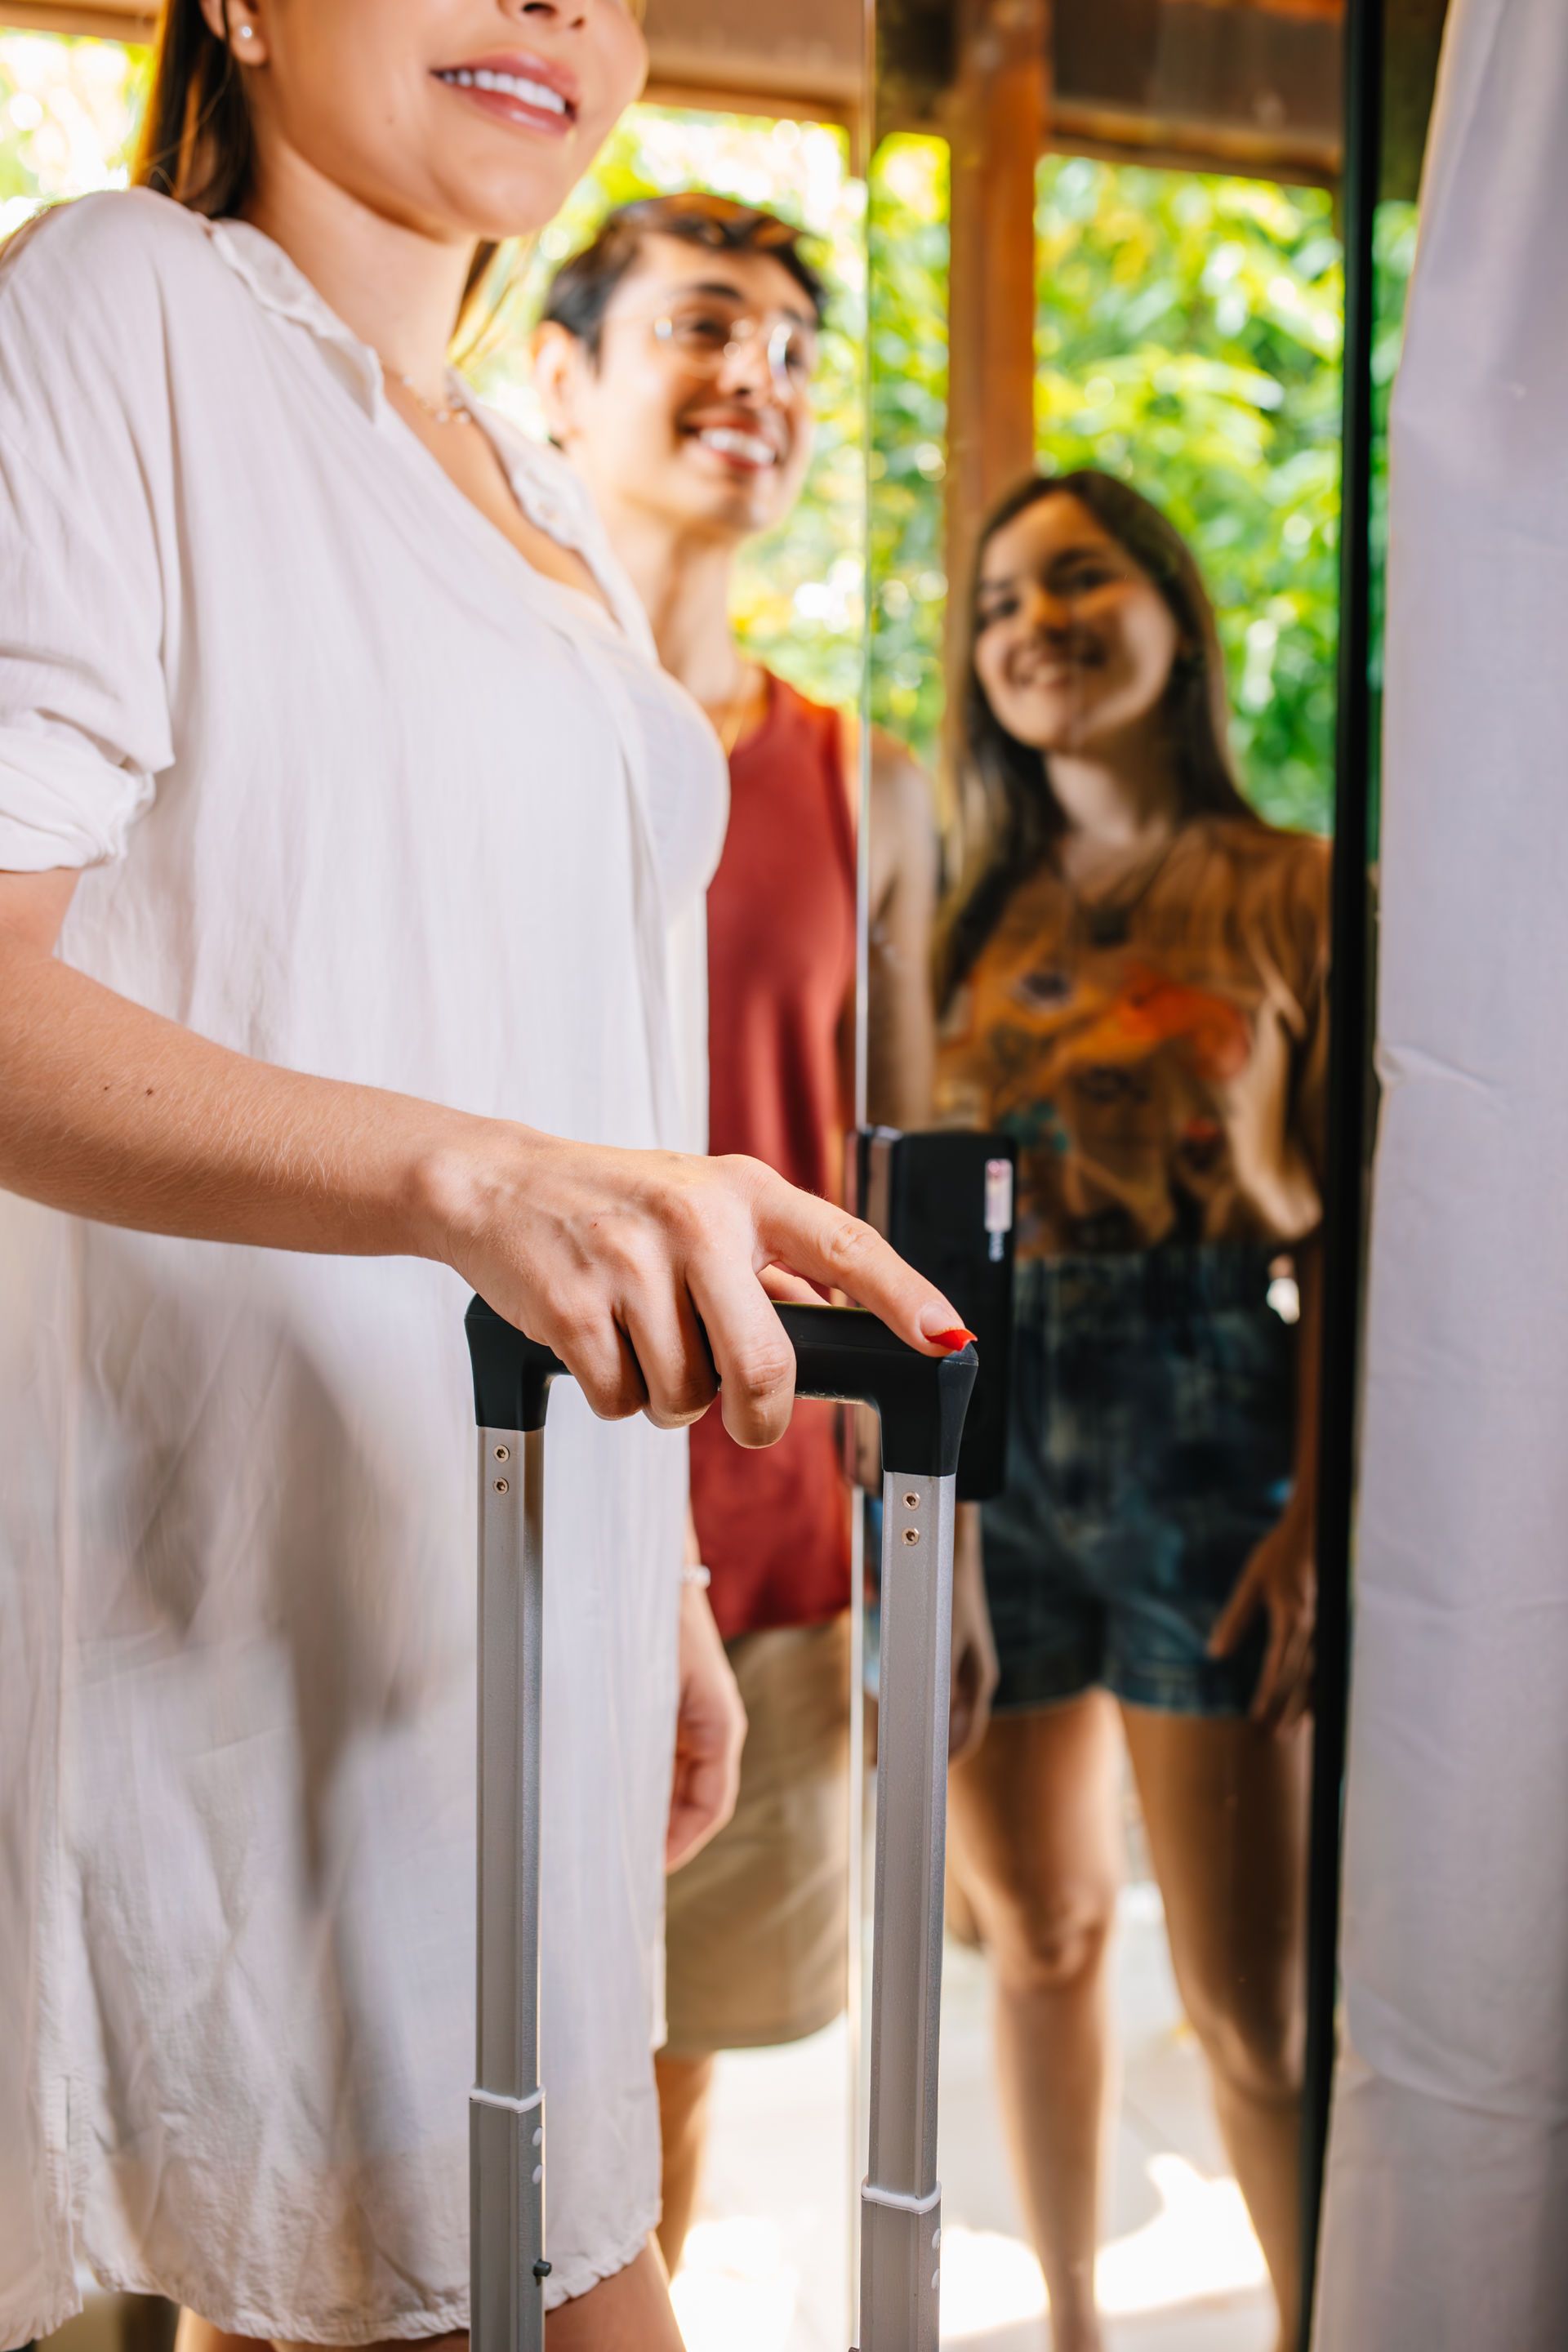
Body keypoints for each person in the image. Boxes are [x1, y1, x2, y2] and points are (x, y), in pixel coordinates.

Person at [0, 7, 968, 2351]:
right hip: (239, 1580)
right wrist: (467, 1185)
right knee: (486, 2278)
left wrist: (634, 1603)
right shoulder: (121, 300)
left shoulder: (519, 487)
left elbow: (570, 1036)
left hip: (514, 1572)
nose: (550, 10)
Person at [531, 191, 996, 2272]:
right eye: (706, 327)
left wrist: (939, 1540)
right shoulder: (477, 730)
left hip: (780, 1518)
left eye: (801, 350)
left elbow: (914, 1181)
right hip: (480, 1476)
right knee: (389, 2098)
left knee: (660, 2093)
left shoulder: (865, 781)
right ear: (560, 375)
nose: (763, 380)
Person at [935, 470, 1327, 2352]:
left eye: (1081, 577)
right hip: (982, 1423)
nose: (1035, 621)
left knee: (1253, 2004)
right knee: (1043, 1936)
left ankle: (1319, 2322)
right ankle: (1077, 2327)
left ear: (1173, 611)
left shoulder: (1305, 887)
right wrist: (915, 1529)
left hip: (1212, 1426)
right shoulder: (956, 908)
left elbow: (1376, 1242)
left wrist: (1318, 1515)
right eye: (1002, 599)